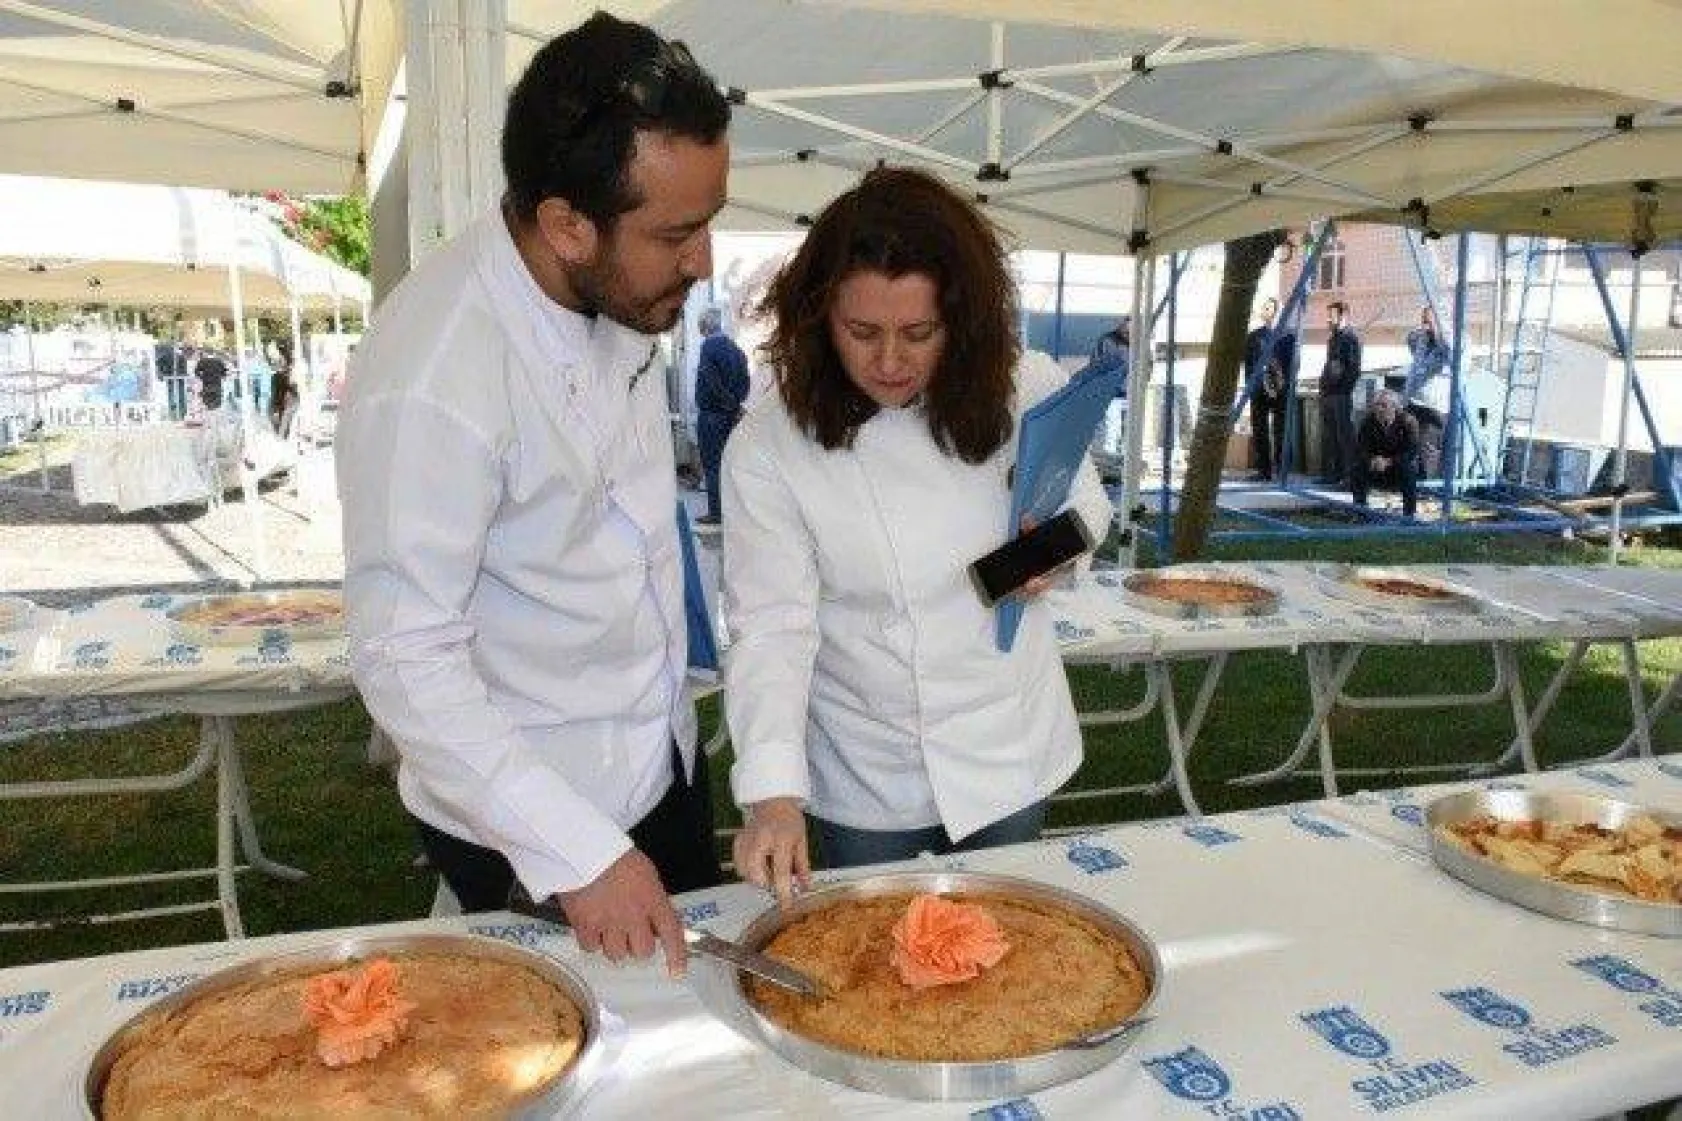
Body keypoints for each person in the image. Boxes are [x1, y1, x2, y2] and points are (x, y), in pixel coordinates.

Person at [337, 12, 731, 974]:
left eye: (710, 223)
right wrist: (583, 854)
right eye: (677, 234)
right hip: (532, 815)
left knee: (692, 1031)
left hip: (659, 761)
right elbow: (402, 657)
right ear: (565, 223)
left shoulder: (610, 286)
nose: (705, 263)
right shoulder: (434, 373)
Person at [723, 167, 1113, 905]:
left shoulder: (1020, 383)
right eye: (862, 332)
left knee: (1007, 952)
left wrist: (1049, 553)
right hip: (866, 764)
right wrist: (772, 794)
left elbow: (1087, 505)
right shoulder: (768, 445)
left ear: (960, 323)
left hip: (1007, 743)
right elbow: (771, 625)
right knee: (873, 974)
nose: (890, 362)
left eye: (919, 333)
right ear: (816, 317)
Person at [692, 305, 750, 525]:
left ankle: (716, 514)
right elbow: (745, 382)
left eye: (700, 325)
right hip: (731, 418)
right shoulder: (735, 348)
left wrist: (728, 404)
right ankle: (732, 513)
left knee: (713, 465)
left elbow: (711, 381)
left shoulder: (709, 346)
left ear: (705, 326)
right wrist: (736, 404)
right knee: (729, 464)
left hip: (712, 416)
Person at [1243, 296, 1296, 481]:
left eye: (1267, 308)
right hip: (1258, 390)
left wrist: (1281, 384)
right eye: (1263, 308)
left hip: (1281, 390)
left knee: (1281, 429)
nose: (1263, 311)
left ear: (1276, 312)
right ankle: (1263, 470)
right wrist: (1250, 385)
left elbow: (1293, 364)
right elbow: (1248, 364)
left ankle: (1282, 470)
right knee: (1260, 429)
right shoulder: (1254, 336)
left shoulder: (1289, 337)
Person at [1352, 389, 1421, 518]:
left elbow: (1411, 451)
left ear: (1394, 407)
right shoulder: (1367, 422)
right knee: (1357, 469)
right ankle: (1360, 512)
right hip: (1376, 466)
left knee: (1408, 469)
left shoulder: (1408, 421)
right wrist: (1372, 460)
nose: (1379, 409)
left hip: (1397, 466)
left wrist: (1388, 462)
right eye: (1376, 405)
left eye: (1383, 405)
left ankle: (1410, 514)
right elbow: (1360, 449)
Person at [1401, 304, 1450, 477]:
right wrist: (1425, 330)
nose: (1425, 327)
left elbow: (1456, 357)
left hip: (1434, 406)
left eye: (1429, 322)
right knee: (1408, 442)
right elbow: (1409, 338)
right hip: (1413, 401)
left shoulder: (1454, 341)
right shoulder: (1422, 338)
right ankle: (1410, 483)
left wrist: (1440, 334)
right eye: (1423, 322)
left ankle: (1427, 490)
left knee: (1428, 448)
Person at [1317, 299, 1361, 484]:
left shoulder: (1350, 337)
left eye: (1332, 315)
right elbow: (1330, 366)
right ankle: (1331, 475)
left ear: (1343, 316)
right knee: (1329, 436)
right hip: (1329, 393)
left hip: (1341, 394)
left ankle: (1347, 476)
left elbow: (1353, 368)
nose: (1328, 319)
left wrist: (1343, 390)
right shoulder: (1333, 338)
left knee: (1344, 436)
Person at [192, 348, 230, 413]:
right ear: (213, 353)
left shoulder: (202, 361)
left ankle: (209, 407)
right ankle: (215, 409)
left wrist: (202, 377)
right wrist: (221, 377)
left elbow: (196, 371)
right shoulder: (219, 361)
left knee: (207, 397)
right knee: (216, 398)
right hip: (217, 382)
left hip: (206, 382)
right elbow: (224, 372)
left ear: (206, 353)